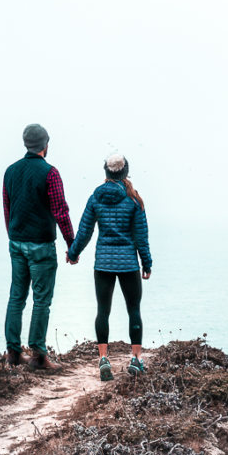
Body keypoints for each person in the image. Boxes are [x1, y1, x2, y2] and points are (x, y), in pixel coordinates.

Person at [67, 153, 152, 380]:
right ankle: (136, 359)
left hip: (103, 263)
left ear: (106, 171)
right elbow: (141, 237)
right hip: (128, 265)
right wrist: (147, 263)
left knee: (102, 310)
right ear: (125, 172)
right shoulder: (134, 200)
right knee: (133, 310)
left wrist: (73, 253)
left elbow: (85, 230)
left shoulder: (96, 197)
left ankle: (103, 359)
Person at [2, 123, 75, 370]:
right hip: (41, 245)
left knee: (16, 297)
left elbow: (7, 209)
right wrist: (71, 243)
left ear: (26, 144)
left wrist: (13, 234)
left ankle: (12, 352)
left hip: (17, 242)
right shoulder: (50, 173)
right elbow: (60, 211)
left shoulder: (10, 171)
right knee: (41, 300)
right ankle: (38, 355)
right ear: (45, 144)